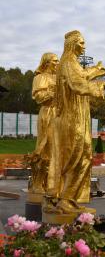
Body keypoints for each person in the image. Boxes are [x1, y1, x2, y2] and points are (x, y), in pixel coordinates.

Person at [52, 30, 105, 214]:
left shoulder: (71, 63)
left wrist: (99, 71)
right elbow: (78, 84)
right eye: (81, 43)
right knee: (76, 156)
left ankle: (69, 197)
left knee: (82, 156)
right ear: (72, 44)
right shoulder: (67, 63)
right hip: (72, 118)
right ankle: (65, 199)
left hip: (78, 116)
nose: (84, 46)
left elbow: (81, 76)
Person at [28, 52, 59, 201]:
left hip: (61, 115)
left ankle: (53, 183)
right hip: (48, 114)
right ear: (46, 62)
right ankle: (38, 183)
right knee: (45, 147)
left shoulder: (58, 78)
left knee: (58, 149)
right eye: (54, 61)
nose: (57, 63)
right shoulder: (39, 78)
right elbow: (39, 98)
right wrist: (55, 91)